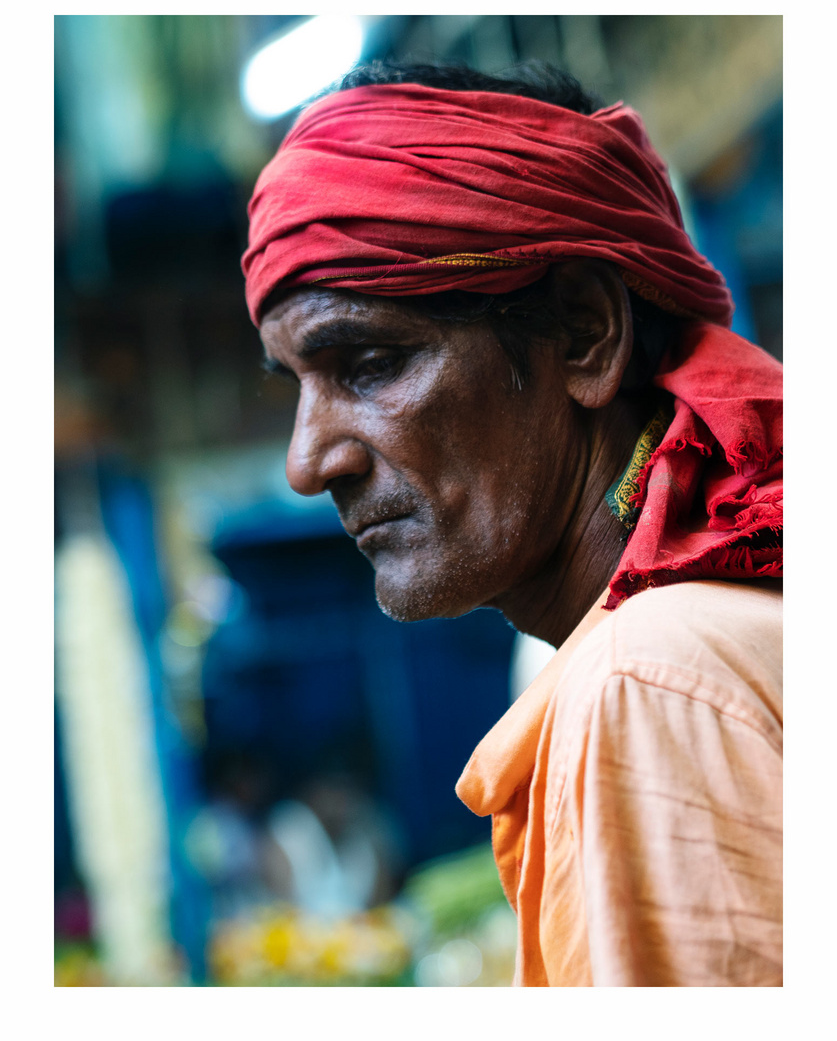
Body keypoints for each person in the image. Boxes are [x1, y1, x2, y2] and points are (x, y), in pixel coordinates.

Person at [241, 62, 782, 986]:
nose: (307, 462)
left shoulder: (646, 684)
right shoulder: (713, 631)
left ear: (583, 334)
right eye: (296, 386)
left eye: (368, 362)